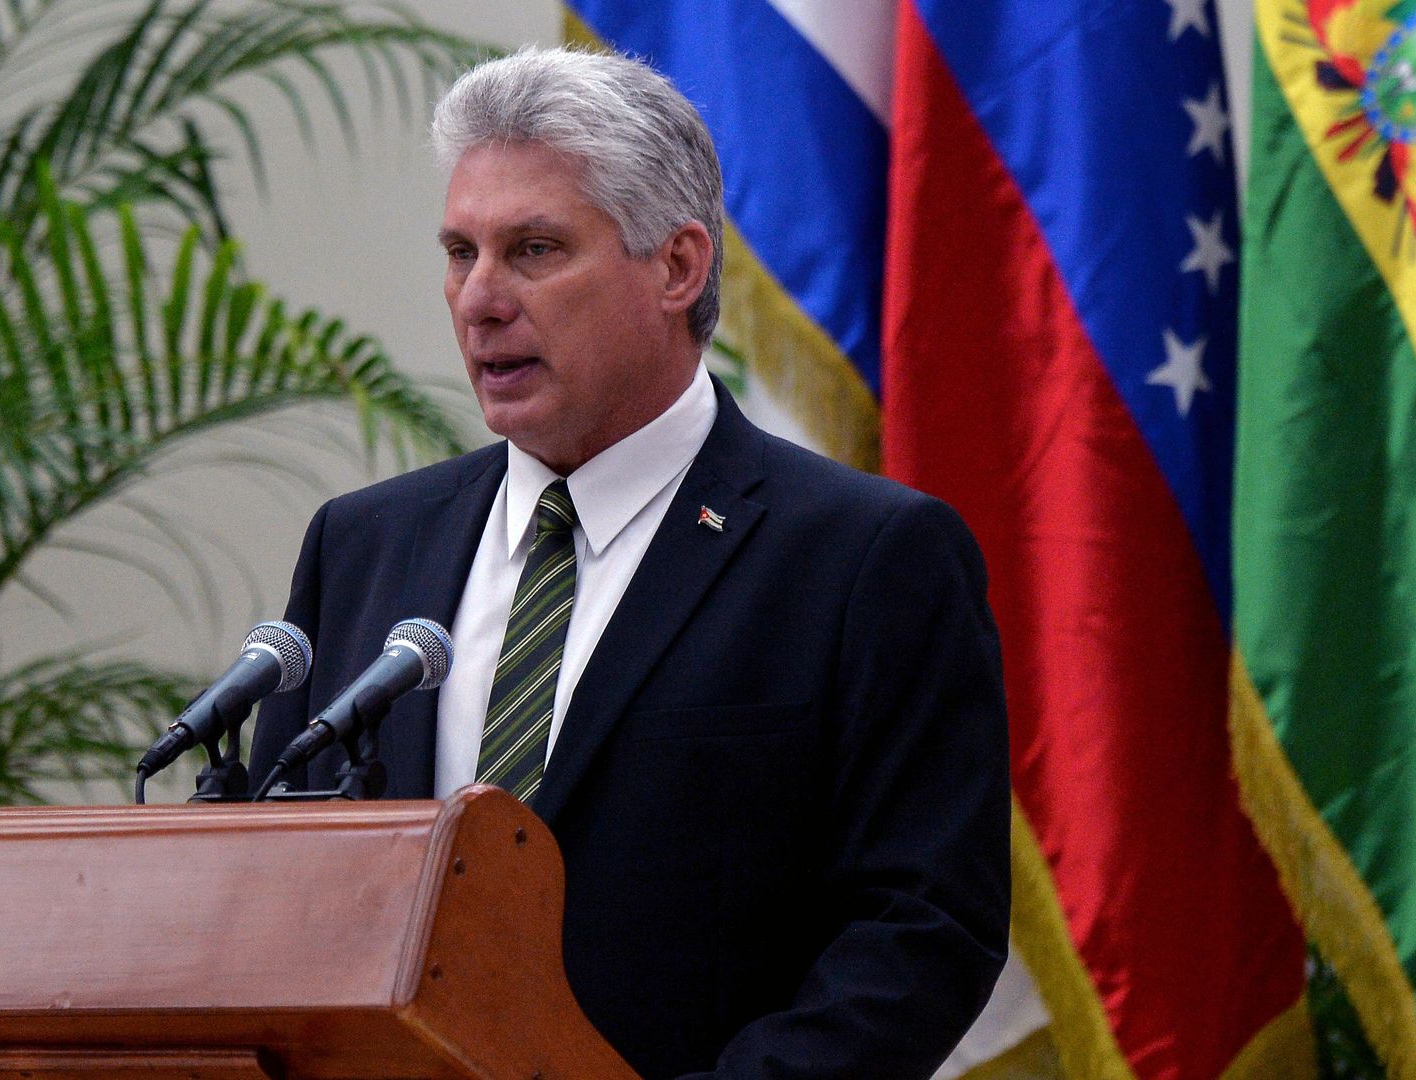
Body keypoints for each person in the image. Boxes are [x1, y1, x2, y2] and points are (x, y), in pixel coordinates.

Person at [249, 47, 1008, 1080]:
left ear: (678, 267)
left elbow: (922, 932)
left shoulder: (865, 558)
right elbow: (278, 893)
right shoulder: (365, 545)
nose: (478, 299)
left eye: (533, 249)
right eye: (459, 251)